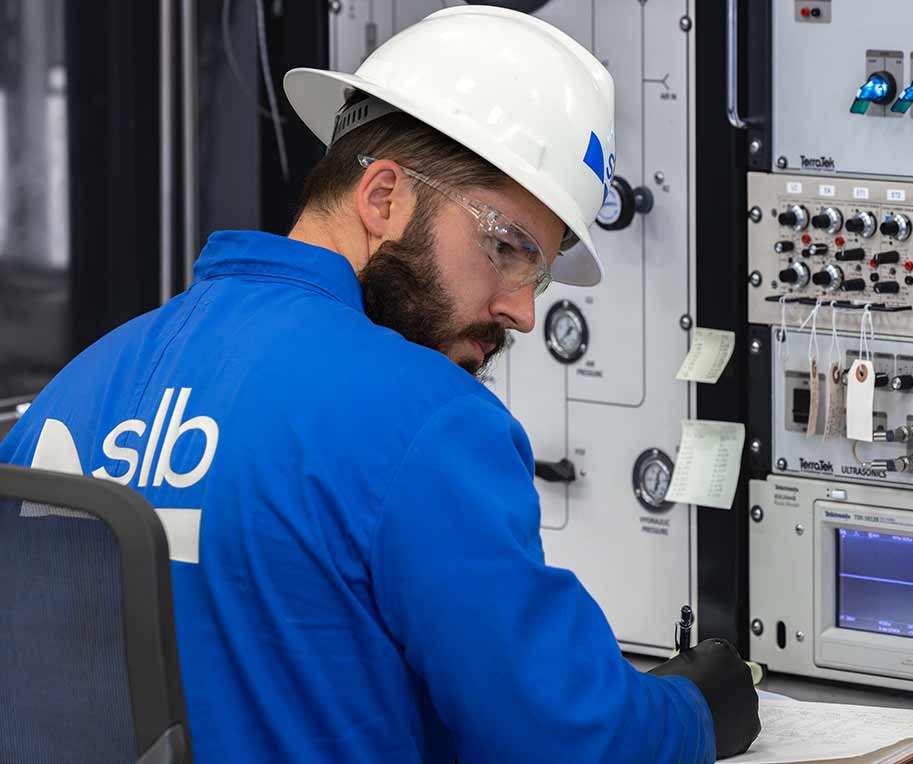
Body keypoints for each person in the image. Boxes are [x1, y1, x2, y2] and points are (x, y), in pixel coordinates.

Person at [0, 6, 758, 762]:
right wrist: (696, 708)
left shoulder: (72, 392)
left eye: (541, 272)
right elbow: (568, 738)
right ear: (383, 197)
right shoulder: (426, 418)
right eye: (507, 247)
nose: (523, 311)